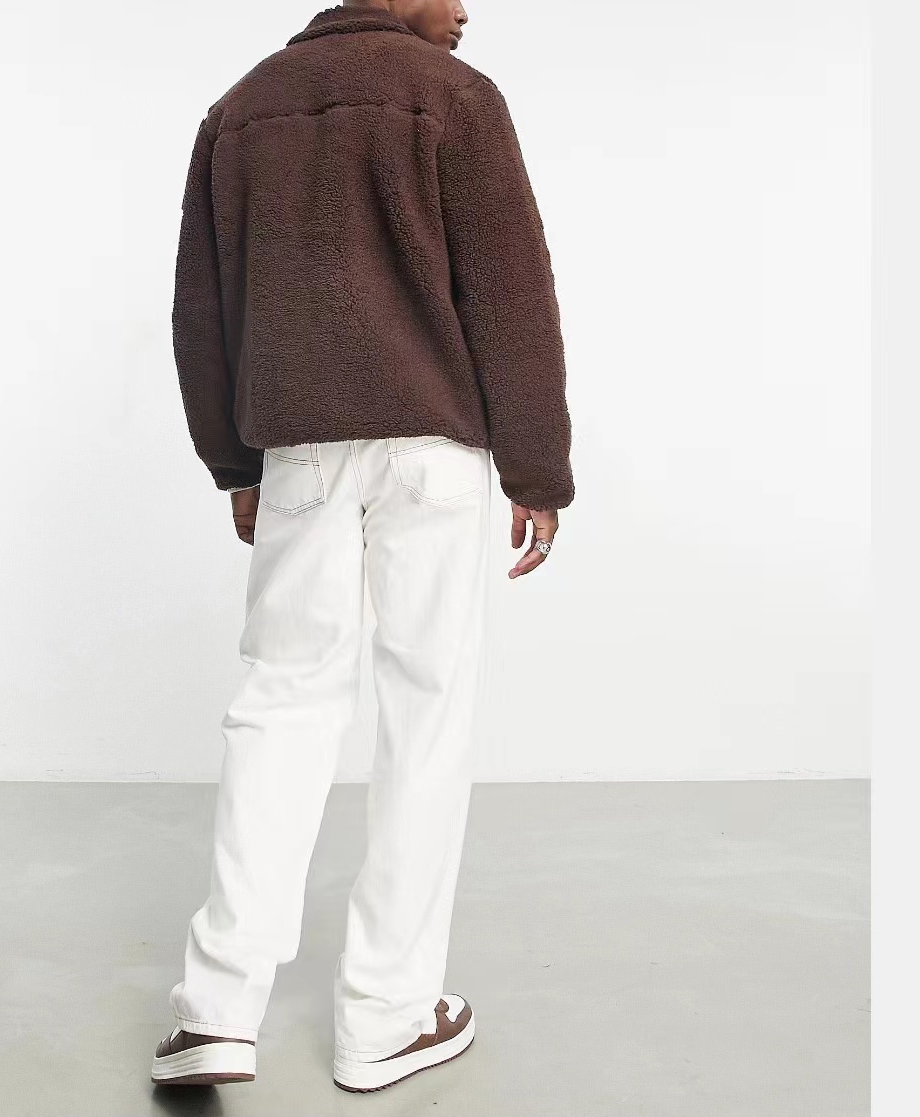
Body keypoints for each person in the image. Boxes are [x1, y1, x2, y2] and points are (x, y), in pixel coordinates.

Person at [153, 0, 574, 1094]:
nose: (467, 7)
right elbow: (511, 294)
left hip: (298, 449)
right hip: (432, 454)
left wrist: (234, 463)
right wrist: (537, 468)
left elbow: (202, 309)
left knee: (279, 703)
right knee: (426, 715)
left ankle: (215, 1011)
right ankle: (387, 1014)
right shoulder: (455, 99)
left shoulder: (241, 110)